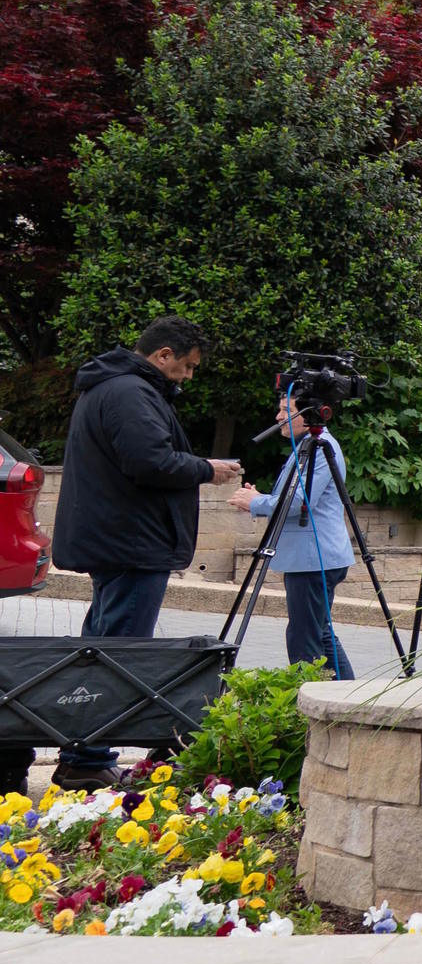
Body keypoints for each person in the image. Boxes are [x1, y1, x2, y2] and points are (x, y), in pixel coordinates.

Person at [22, 317, 241, 792]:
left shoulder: (114, 387)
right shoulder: (129, 392)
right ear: (162, 355)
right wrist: (209, 468)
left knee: (103, 643)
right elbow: (149, 461)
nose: (187, 377)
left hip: (119, 539)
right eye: (186, 367)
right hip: (131, 543)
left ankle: (82, 750)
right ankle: (88, 756)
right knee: (122, 650)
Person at [229, 390, 358, 679]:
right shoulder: (310, 445)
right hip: (314, 558)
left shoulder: (321, 446)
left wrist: (257, 503)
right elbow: (296, 496)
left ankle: (315, 706)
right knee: (320, 633)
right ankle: (346, 700)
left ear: (307, 413)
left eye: (286, 410)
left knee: (304, 641)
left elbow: (301, 502)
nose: (278, 417)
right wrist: (261, 498)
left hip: (314, 560)